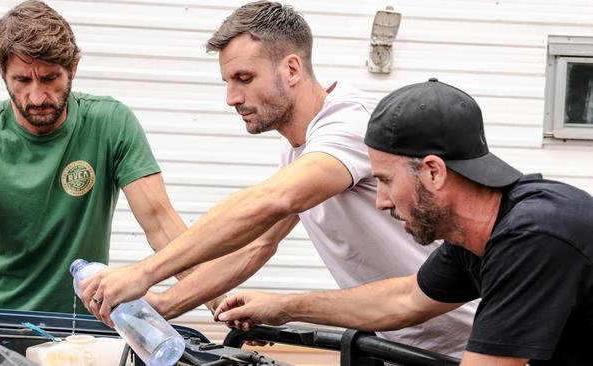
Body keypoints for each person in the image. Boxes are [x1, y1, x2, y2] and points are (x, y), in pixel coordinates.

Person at [79, 1, 476, 357]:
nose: (231, 97)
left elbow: (273, 200)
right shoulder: (299, 149)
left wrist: (143, 272)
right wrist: (165, 305)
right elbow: (257, 245)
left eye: (244, 78)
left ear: (291, 68)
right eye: (228, 82)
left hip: (472, 339)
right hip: (399, 342)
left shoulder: (349, 124)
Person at [214, 78, 593, 365]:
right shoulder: (478, 236)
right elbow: (403, 300)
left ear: (433, 172)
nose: (380, 201)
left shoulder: (534, 237)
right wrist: (282, 307)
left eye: (385, 180)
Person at [0, 0, 187, 314]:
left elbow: (161, 223)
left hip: (77, 324)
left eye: (49, 79)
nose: (37, 96)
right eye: (22, 80)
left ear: (73, 68)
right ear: (3, 74)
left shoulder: (109, 123)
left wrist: (216, 299)